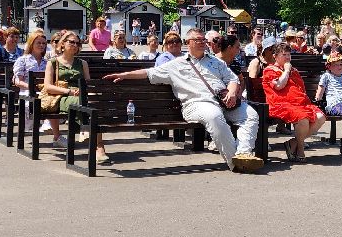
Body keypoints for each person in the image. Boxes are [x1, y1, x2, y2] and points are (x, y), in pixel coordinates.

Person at [106, 28, 264, 173]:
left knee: (250, 114)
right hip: (196, 105)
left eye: (203, 40)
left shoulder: (216, 62)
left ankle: (243, 154)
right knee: (214, 116)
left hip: (223, 101)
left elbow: (232, 79)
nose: (202, 42)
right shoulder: (175, 65)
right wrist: (124, 75)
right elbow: (148, 73)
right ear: (188, 43)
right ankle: (235, 162)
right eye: (197, 40)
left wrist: (231, 92)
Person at [40, 31, 107, 162]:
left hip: (81, 94)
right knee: (81, 102)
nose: (75, 45)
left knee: (94, 102)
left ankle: (97, 143)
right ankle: (94, 141)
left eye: (77, 43)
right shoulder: (53, 62)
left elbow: (88, 83)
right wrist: (69, 92)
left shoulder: (82, 63)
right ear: (63, 44)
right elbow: (47, 86)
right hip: (61, 96)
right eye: (72, 42)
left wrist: (91, 93)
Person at [263, 42, 326, 160]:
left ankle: (293, 143)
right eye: (284, 54)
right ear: (275, 56)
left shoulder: (294, 71)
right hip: (280, 104)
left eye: (289, 54)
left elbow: (301, 89)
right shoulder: (269, 70)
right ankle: (300, 149)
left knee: (320, 117)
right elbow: (279, 86)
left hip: (299, 103)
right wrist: (286, 71)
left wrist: (289, 70)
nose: (287, 57)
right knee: (303, 119)